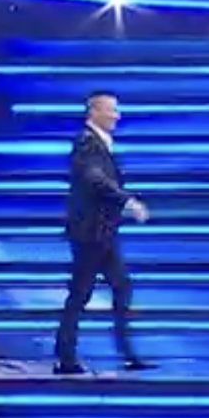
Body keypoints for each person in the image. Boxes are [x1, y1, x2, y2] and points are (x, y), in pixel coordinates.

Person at [59, 91, 151, 376]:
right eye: (111, 110)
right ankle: (66, 357)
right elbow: (95, 179)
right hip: (90, 234)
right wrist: (128, 201)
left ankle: (127, 353)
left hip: (103, 233)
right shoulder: (87, 143)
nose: (117, 116)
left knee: (121, 286)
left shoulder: (98, 143)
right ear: (94, 112)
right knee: (80, 294)